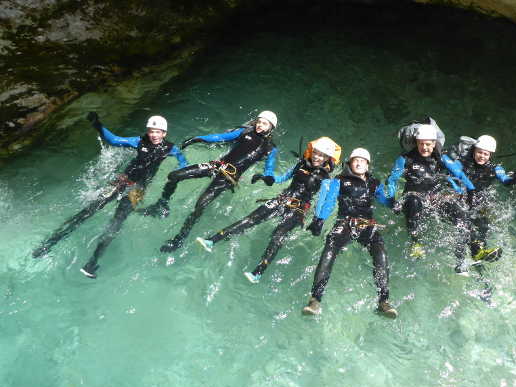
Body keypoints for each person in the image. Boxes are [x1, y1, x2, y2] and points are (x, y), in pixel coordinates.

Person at [32, 112, 188, 278]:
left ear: (164, 133)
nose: (153, 135)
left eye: (157, 131)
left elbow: (183, 163)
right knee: (88, 211)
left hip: (138, 190)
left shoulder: (171, 148)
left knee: (116, 223)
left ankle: (92, 262)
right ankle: (49, 243)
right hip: (122, 181)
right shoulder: (139, 141)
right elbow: (114, 140)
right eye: (151, 131)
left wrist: (181, 172)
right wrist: (96, 123)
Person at [195, 137, 341, 283]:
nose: (316, 157)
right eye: (315, 153)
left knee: (278, 234)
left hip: (298, 209)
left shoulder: (326, 179)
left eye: (321, 155)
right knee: (249, 220)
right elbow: (283, 178)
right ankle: (212, 241)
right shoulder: (301, 165)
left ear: (327, 158)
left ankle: (258, 272)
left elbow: (324, 201)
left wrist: (319, 219)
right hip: (281, 199)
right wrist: (268, 178)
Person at [139, 111, 278, 252]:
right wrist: (198, 138)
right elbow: (219, 137)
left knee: (200, 205)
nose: (260, 125)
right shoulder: (244, 132)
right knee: (174, 175)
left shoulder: (270, 149)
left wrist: (266, 177)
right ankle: (161, 204)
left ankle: (179, 239)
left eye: (264, 123)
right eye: (259, 121)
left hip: (228, 177)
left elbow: (270, 170)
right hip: (216, 166)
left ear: (271, 127)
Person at [302, 148, 398, 319]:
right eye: (355, 160)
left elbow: (384, 200)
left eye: (363, 160)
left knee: (381, 255)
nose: (359, 163)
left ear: (368, 165)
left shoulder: (374, 183)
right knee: (329, 251)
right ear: (349, 163)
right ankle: (315, 300)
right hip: (345, 223)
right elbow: (330, 200)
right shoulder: (340, 180)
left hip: (368, 225)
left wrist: (395, 202)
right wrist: (320, 219)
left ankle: (384, 302)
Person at [383, 124, 473, 259]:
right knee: (413, 201)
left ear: (434, 143)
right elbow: (392, 180)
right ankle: (416, 243)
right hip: (412, 196)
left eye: (428, 144)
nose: (424, 147)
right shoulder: (405, 159)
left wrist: (469, 191)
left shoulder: (441, 158)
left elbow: (459, 175)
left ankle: (462, 252)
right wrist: (392, 200)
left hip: (434, 196)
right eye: (421, 144)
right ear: (416, 143)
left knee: (460, 214)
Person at [449, 134, 516, 272]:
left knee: (483, 226)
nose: (482, 156)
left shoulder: (495, 168)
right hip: (462, 198)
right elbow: (453, 170)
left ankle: (479, 257)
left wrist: (513, 180)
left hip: (479, 201)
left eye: (485, 154)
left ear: (490, 155)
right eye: (479, 152)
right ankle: (459, 262)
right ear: (474, 151)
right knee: (464, 229)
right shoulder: (463, 162)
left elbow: (504, 179)